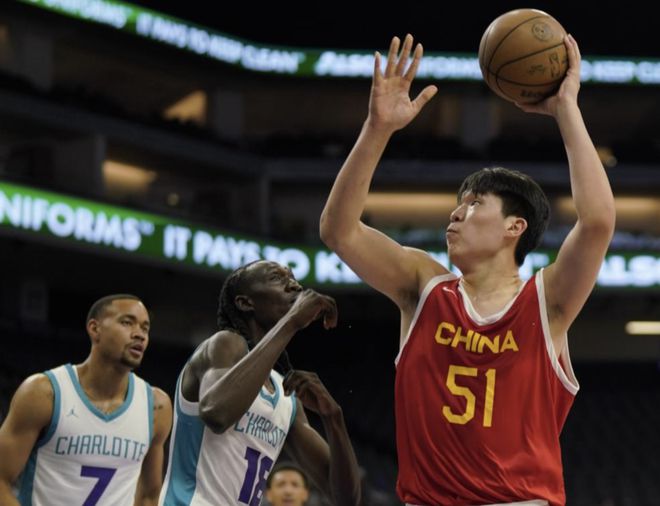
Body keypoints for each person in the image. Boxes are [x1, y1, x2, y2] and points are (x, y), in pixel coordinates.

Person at [320, 33, 615, 506]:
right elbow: (339, 231)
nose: (457, 213)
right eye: (459, 204)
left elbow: (597, 221)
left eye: (476, 204)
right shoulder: (423, 286)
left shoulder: (546, 302)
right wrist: (377, 129)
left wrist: (566, 109)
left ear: (515, 227)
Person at [158, 260, 361, 506]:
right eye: (277, 278)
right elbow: (216, 414)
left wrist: (333, 417)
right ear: (245, 303)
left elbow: (346, 499)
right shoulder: (225, 344)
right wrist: (291, 321)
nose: (295, 286)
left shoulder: (286, 396)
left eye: (293, 278)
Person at [0, 294, 173, 506]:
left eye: (145, 328)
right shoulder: (44, 393)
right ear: (94, 328)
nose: (139, 334)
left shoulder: (156, 406)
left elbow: (148, 496)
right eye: (127, 323)